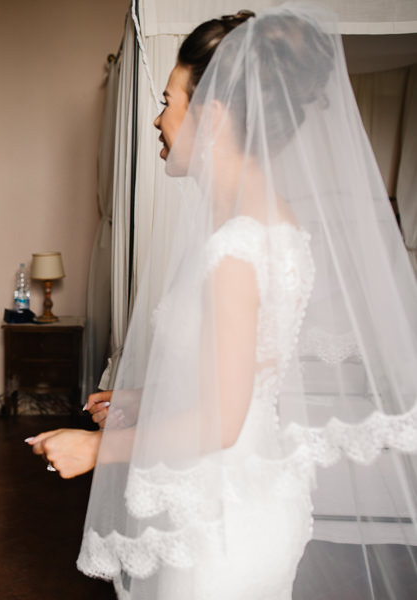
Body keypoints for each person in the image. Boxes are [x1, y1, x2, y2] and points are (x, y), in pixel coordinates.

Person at [28, 4, 417, 599]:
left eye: (167, 102)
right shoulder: (271, 228)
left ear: (209, 116)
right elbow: (244, 380)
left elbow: (222, 420)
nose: (159, 121)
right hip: (247, 495)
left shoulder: (237, 249)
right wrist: (140, 399)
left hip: (226, 523)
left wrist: (96, 448)